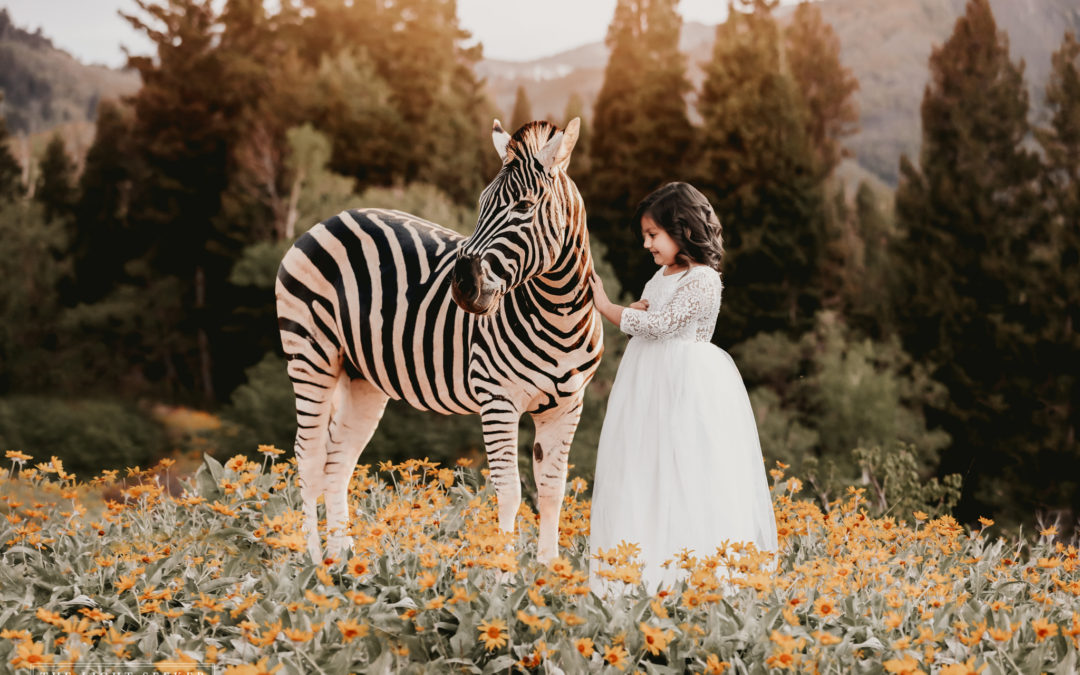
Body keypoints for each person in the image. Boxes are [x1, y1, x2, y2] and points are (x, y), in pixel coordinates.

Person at [587, 181, 778, 595]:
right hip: (648, 385)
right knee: (644, 471)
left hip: (686, 386)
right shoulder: (661, 275)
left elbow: (662, 326)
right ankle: (644, 574)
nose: (647, 245)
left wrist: (609, 308)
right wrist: (636, 309)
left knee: (686, 472)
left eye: (653, 235)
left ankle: (692, 578)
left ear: (682, 229)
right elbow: (651, 317)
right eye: (645, 236)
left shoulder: (704, 279)